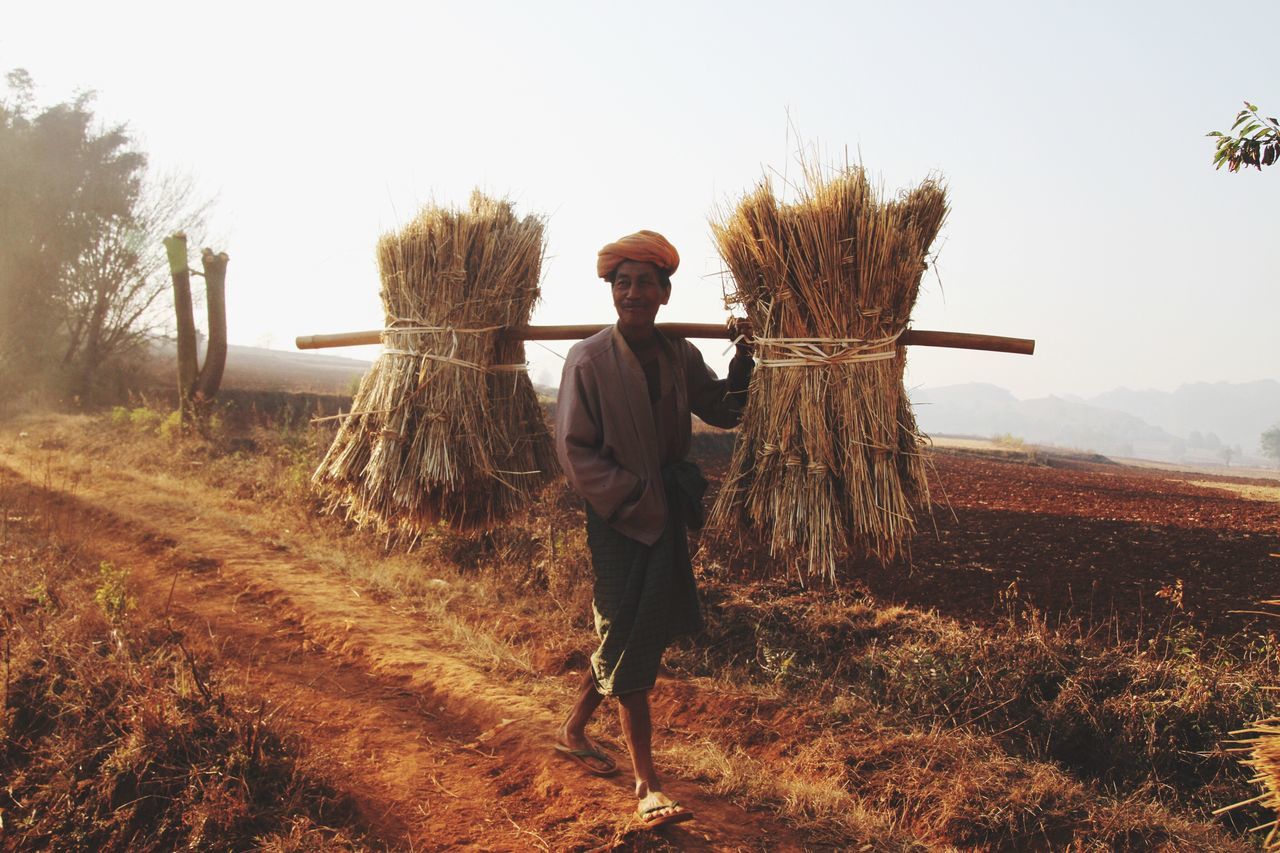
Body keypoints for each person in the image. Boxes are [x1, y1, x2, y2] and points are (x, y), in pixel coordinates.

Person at [553, 229, 753, 829]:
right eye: (623, 283)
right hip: (619, 519)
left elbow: (723, 407)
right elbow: (575, 451)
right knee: (628, 632)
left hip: (665, 511)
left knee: (635, 630)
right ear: (611, 292)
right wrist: (635, 498)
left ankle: (572, 727)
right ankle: (647, 783)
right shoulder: (588, 360)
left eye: (645, 283)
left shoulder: (677, 354)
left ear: (665, 294)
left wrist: (747, 357)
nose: (633, 293)